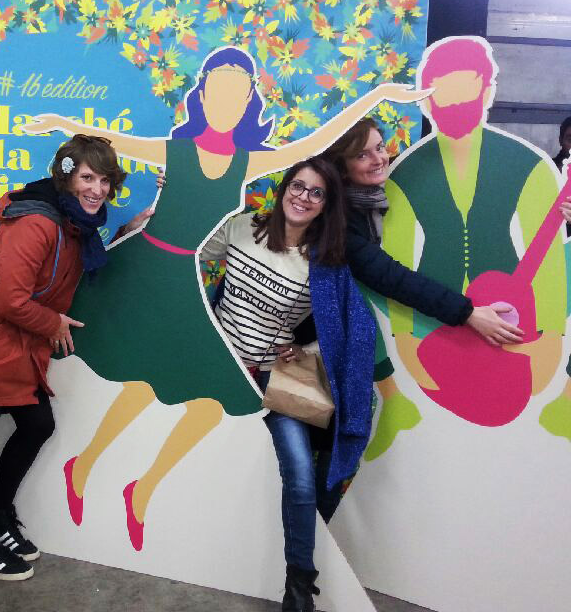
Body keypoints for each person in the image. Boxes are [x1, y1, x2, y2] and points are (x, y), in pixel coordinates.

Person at [25, 46, 427, 550]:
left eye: (237, 95)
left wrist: (377, 95)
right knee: (138, 377)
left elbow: (316, 144)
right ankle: (84, 469)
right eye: (219, 92)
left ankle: (135, 488)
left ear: (246, 105)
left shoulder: (246, 164)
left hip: (182, 282)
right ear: (203, 96)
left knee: (208, 399)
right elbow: (112, 143)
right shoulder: (177, 152)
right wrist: (62, 124)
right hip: (146, 269)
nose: (226, 103)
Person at [0, 135, 156, 581]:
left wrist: (128, 232)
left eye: (105, 180)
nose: (97, 189)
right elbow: (11, 299)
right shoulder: (37, 224)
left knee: (37, 425)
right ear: (66, 179)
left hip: (9, 344)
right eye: (88, 178)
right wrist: (53, 324)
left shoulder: (75, 224)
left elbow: (79, 269)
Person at [368, 37, 570, 450]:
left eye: (466, 89)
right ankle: (393, 404)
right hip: (430, 307)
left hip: (513, 308)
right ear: (427, 100)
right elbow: (396, 259)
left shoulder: (527, 164)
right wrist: (404, 338)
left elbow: (549, 259)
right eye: (445, 92)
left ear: (488, 91)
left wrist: (550, 338)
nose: (456, 103)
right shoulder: (405, 172)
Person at [201, 158, 375, 612]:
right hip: (218, 370)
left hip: (272, 381)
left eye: (317, 193)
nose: (304, 197)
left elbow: (342, 325)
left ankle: (299, 588)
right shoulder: (242, 228)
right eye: (298, 186)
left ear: (326, 204)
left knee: (300, 476)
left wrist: (305, 349)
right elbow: (187, 258)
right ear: (284, 189)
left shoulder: (324, 261)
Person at [320, 117, 525, 458]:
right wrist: (468, 313)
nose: (379, 159)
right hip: (336, 350)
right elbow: (389, 276)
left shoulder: (382, 199)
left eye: (380, 147)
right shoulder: (337, 218)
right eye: (362, 155)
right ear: (342, 167)